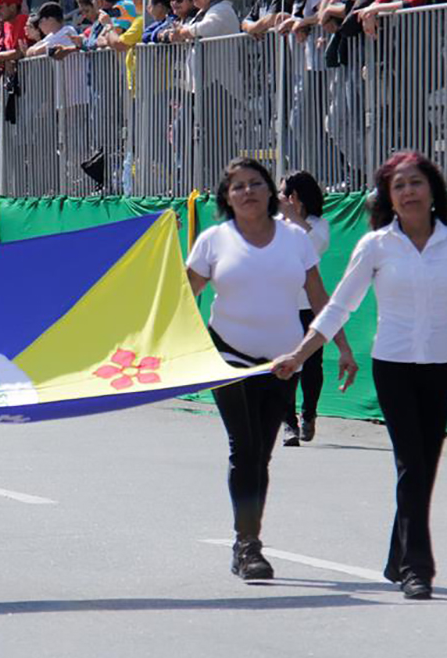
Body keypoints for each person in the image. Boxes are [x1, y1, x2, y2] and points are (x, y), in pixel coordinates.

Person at [271, 151, 447, 600]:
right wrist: (301, 353)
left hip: (442, 366)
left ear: (433, 191)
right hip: (394, 365)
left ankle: (395, 555)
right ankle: (419, 567)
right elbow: (340, 303)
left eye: (415, 183)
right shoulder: (376, 245)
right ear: (389, 198)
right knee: (411, 465)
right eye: (398, 186)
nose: (408, 192)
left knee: (426, 467)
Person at [185, 157, 355, 580]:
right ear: (227, 196)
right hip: (227, 356)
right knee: (243, 448)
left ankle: (246, 537)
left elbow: (319, 297)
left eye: (256, 183)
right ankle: (248, 546)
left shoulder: (295, 239)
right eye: (238, 186)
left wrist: (343, 347)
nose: (248, 192)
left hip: (283, 360)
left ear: (269, 192)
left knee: (261, 453)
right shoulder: (213, 241)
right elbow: (181, 298)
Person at [276, 171, 329, 446]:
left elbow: (314, 246)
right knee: (285, 365)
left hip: (308, 306)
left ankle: (309, 413)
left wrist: (293, 216)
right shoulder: (274, 225)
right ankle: (288, 424)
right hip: (281, 306)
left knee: (311, 366)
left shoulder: (318, 225)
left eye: (283, 193)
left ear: (295, 197)